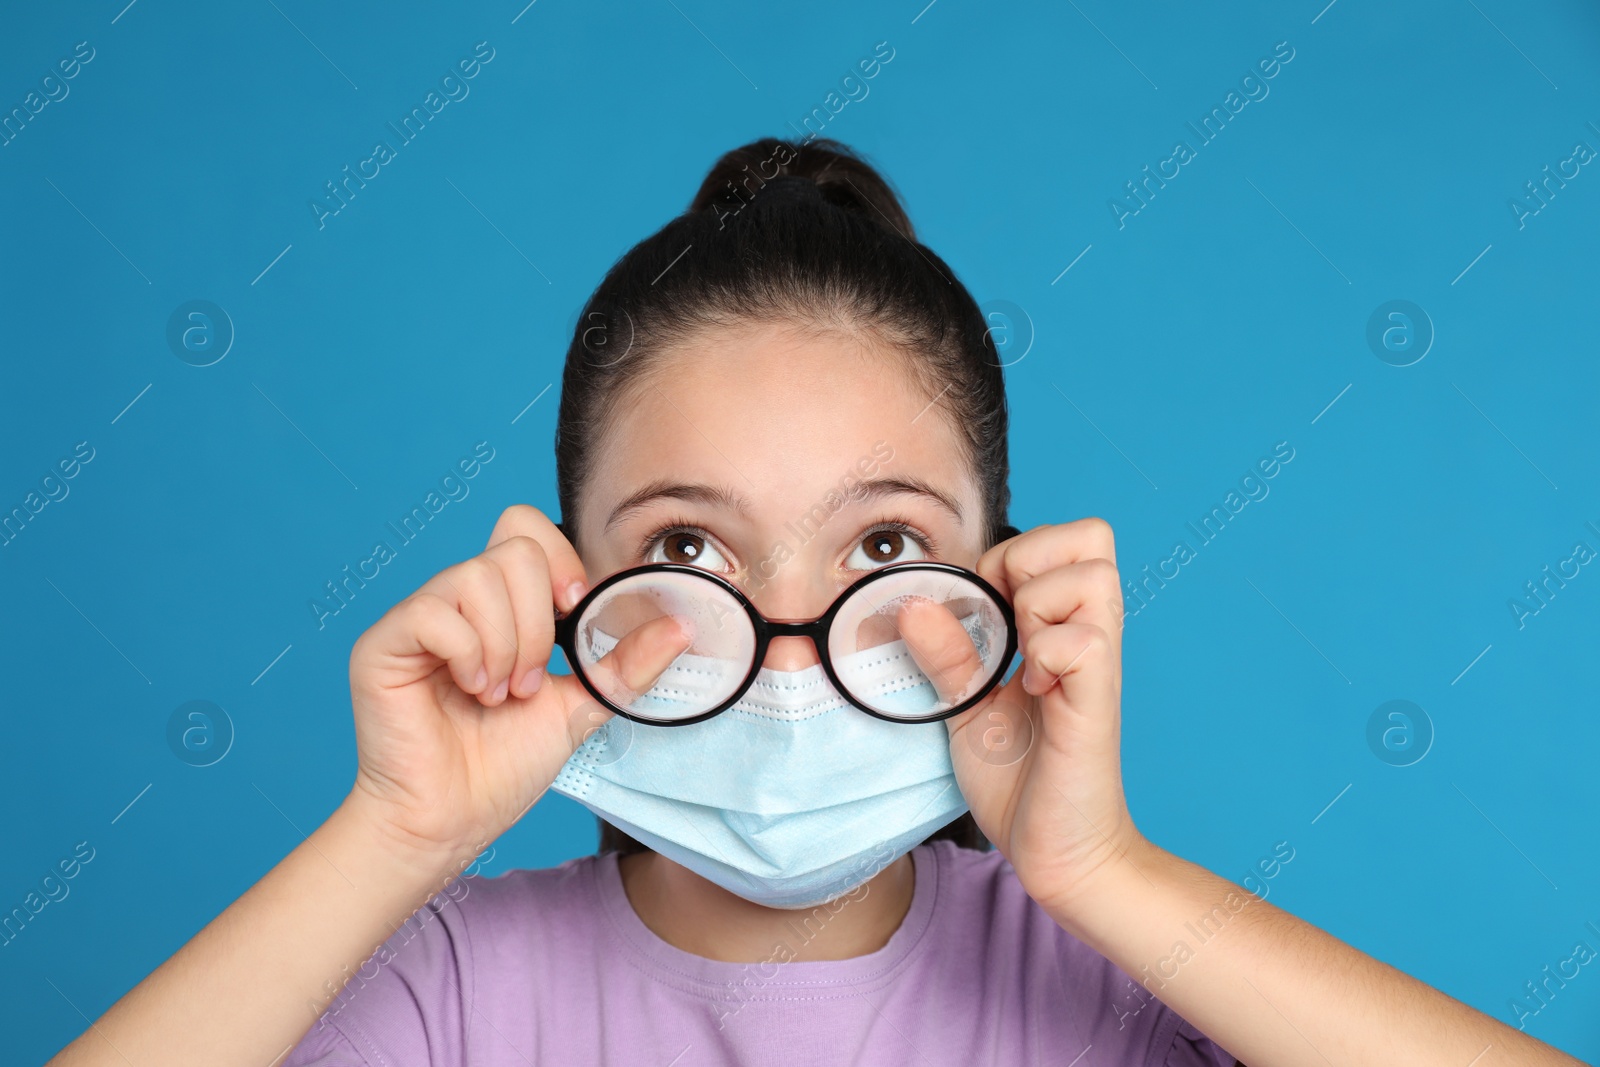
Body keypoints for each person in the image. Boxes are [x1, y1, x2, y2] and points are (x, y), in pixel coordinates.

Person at [46, 138, 1583, 1067]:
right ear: (568, 590)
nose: (791, 653)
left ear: (1005, 595)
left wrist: (1106, 870)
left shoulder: (1110, 988)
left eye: (881, 548)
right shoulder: (449, 995)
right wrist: (394, 836)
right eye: (696, 552)